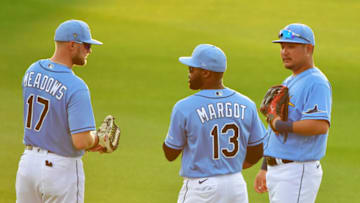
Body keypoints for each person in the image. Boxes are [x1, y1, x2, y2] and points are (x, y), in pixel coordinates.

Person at [162, 44, 266, 203]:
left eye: (192, 69)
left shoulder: (184, 107)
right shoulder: (246, 104)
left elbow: (170, 154)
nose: (189, 73)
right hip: (235, 185)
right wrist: (232, 168)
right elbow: (258, 148)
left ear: (205, 72)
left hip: (201, 189)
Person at [16, 19, 104, 203]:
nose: (90, 50)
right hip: (60, 171)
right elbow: (80, 141)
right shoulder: (76, 87)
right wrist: (97, 139)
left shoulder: (32, 71)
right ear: (72, 45)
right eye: (86, 45)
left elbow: (51, 123)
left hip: (27, 166)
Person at [254, 23, 332, 203]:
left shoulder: (316, 83)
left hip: (296, 172)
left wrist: (279, 124)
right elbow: (273, 129)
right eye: (282, 46)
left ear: (309, 48)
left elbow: (319, 125)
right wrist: (265, 167)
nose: (284, 52)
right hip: (279, 171)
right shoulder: (290, 80)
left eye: (291, 46)